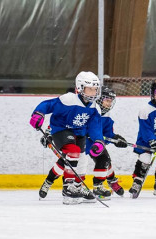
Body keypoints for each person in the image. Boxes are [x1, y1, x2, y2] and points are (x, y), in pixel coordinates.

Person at [38, 85, 127, 200]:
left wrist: (116, 139)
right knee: (67, 162)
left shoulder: (103, 114)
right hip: (75, 140)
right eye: (106, 100)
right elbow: (63, 123)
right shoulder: (81, 107)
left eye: (111, 101)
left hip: (91, 144)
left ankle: (90, 187)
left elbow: (106, 133)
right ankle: (49, 182)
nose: (108, 104)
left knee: (103, 160)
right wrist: (49, 133)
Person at [29, 71, 105, 205]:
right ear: (80, 88)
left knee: (82, 161)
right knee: (73, 151)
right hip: (60, 129)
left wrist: (98, 141)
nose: (93, 93)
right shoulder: (68, 99)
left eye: (95, 89)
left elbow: (95, 127)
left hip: (79, 133)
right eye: (90, 89)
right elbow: (47, 105)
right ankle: (67, 187)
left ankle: (76, 187)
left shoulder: (95, 108)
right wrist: (38, 113)